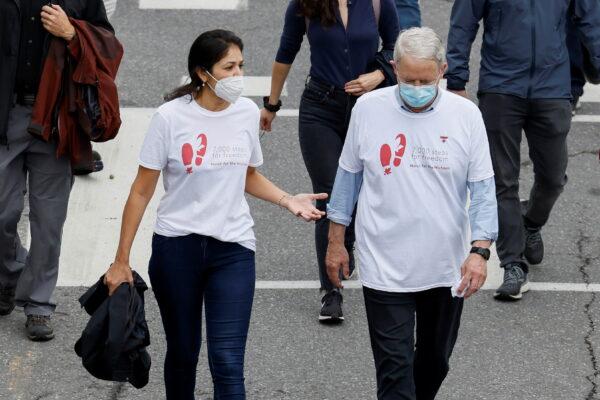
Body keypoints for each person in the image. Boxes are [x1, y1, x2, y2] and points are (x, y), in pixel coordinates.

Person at [103, 30, 327, 400]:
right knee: (184, 353)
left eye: (241, 65)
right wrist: (121, 260)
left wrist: (288, 199)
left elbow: (246, 174)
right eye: (229, 67)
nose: (238, 74)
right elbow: (142, 189)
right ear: (203, 74)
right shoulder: (170, 118)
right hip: (177, 249)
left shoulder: (244, 113)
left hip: (233, 249)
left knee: (226, 361)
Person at [326, 27, 498, 400]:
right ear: (394, 69)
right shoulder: (369, 109)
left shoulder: (466, 115)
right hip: (384, 264)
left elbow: (483, 190)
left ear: (442, 70)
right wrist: (336, 241)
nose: (416, 86)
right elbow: (348, 178)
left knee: (435, 362)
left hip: (444, 264)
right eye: (408, 79)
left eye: (425, 79)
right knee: (394, 372)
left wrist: (480, 252)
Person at [445, 0, 600, 300]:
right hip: (501, 86)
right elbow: (463, 22)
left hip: (552, 87)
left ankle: (530, 222)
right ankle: (513, 263)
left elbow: (591, 19)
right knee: (503, 180)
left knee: (554, 178)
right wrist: (456, 79)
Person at [261, 0, 399, 323]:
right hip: (319, 109)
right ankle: (331, 291)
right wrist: (271, 103)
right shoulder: (305, 3)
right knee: (329, 192)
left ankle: (344, 244)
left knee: (363, 193)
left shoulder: (378, 3)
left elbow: (397, 43)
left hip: (368, 109)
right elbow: (286, 50)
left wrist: (377, 74)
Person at [0, 0, 112, 341]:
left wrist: (72, 33)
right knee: (3, 212)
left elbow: (108, 46)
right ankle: (10, 275)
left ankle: (39, 304)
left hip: (57, 119)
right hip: (7, 113)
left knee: (49, 221)